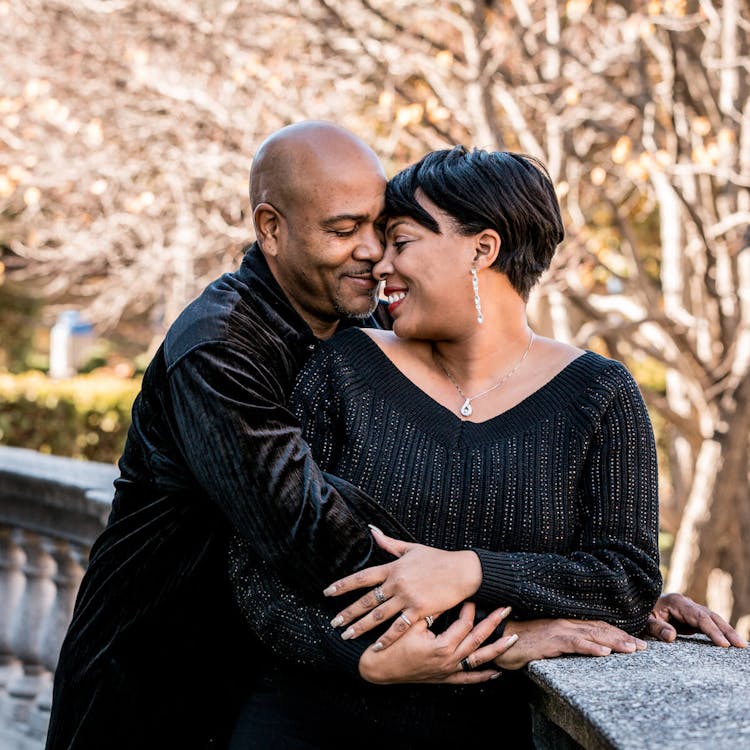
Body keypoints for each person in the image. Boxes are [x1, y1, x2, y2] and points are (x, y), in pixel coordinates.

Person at [45, 121, 744, 750]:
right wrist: (511, 625)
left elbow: (469, 501)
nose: (374, 255)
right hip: (158, 676)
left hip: (262, 681)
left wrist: (608, 587)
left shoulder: (357, 328)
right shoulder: (219, 350)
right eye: (345, 230)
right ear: (271, 228)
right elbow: (314, 539)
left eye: (385, 230)